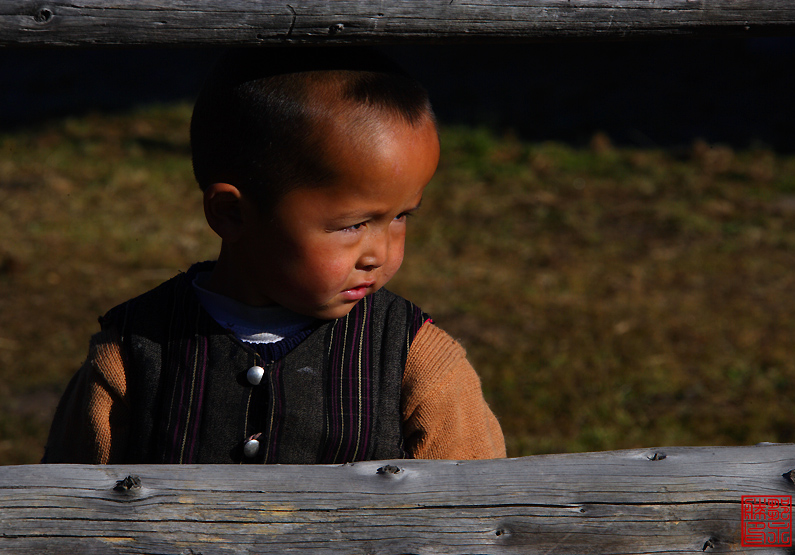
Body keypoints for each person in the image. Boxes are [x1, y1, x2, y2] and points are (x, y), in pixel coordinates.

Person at [42, 47, 505, 464]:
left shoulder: (416, 358)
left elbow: (476, 508)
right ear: (232, 214)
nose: (381, 254)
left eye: (402, 217)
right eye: (352, 225)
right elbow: (66, 512)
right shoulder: (132, 351)